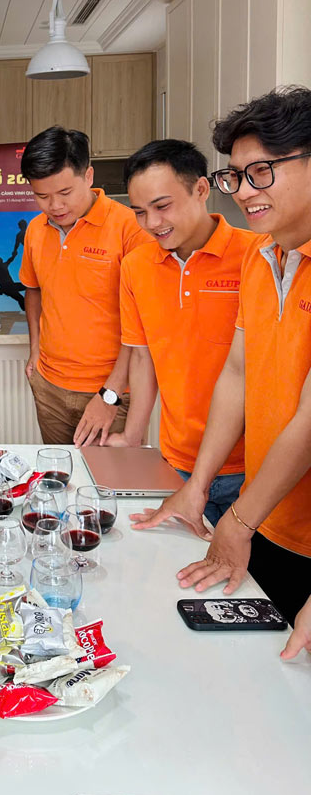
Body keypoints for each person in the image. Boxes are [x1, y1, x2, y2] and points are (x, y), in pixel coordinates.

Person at [132, 88, 311, 624]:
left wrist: (237, 520)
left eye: (262, 171)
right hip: (266, 511)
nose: (245, 192)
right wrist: (198, 485)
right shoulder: (263, 256)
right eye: (238, 175)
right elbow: (236, 373)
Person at [108, 139, 254, 523]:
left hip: (253, 465)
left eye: (162, 206)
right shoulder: (136, 267)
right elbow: (143, 357)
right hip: (176, 462)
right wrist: (133, 437)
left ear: (201, 189)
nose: (152, 223)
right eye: (140, 212)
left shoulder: (257, 256)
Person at [18, 126, 148, 446]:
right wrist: (35, 348)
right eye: (42, 196)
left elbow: (143, 321)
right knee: (59, 472)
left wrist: (110, 394)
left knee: (107, 476)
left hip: (111, 392)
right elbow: (33, 289)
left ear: (88, 176)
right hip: (49, 387)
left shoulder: (130, 228)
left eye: (65, 193)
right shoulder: (35, 230)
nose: (55, 206)